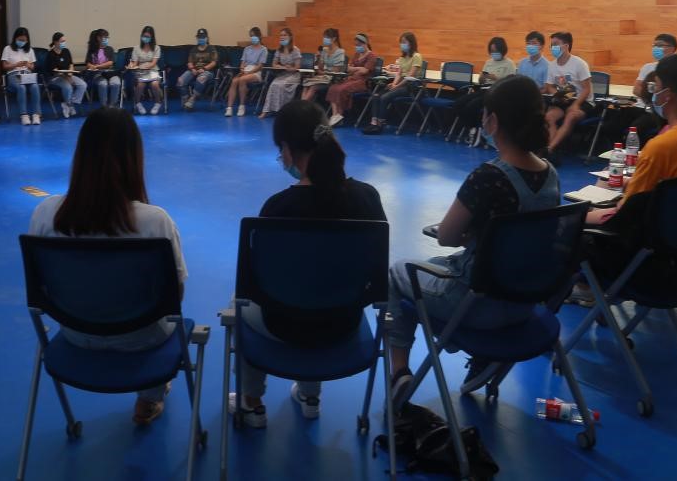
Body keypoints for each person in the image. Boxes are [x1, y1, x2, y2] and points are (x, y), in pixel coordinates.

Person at [387, 76, 558, 404]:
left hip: (475, 304)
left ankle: (399, 373)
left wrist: (469, 235)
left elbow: (446, 236)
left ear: (492, 121)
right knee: (433, 268)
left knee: (398, 272)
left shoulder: (487, 177)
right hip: (524, 302)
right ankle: (481, 356)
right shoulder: (551, 175)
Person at [227, 100, 386, 427]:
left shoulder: (277, 208)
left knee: (237, 303)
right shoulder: (367, 197)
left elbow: (256, 285)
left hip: (282, 325)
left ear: (287, 148)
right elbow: (376, 271)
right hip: (344, 321)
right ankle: (310, 395)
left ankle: (251, 402)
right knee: (322, 285)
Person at [27, 108, 187, 426]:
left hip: (76, 331)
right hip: (142, 336)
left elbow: (40, 287)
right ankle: (149, 399)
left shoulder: (46, 213)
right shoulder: (155, 221)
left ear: (81, 154)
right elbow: (175, 295)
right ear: (134, 158)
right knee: (163, 320)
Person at [577, 54, 677, 297]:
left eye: (655, 86)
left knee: (567, 224)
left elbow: (626, 213)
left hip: (645, 244)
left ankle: (588, 288)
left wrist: (582, 216)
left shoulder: (661, 146)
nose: (653, 92)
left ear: (668, 94)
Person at [454, 37, 517, 144]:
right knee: (458, 103)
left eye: (496, 51)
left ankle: (475, 129)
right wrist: (482, 78)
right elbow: (480, 81)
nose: (494, 53)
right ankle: (471, 126)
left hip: (497, 93)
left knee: (472, 105)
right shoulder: (488, 62)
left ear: (502, 50)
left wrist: (496, 78)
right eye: (492, 51)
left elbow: (510, 84)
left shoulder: (509, 64)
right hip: (483, 89)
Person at [543, 31, 593, 159]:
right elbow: (549, 86)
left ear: (566, 46)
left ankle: (549, 149)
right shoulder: (552, 65)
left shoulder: (579, 64)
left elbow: (586, 89)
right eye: (551, 45)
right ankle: (548, 150)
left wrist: (576, 105)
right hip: (563, 100)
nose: (553, 48)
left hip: (583, 101)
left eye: (556, 44)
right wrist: (558, 95)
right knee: (549, 117)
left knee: (571, 116)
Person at [362, 31, 421, 134]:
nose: (402, 44)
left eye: (404, 42)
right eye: (401, 42)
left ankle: (380, 123)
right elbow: (399, 73)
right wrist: (394, 83)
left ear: (411, 43)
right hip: (400, 83)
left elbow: (410, 76)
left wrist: (397, 86)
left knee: (385, 97)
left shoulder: (417, 56)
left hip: (410, 85)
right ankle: (373, 122)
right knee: (376, 95)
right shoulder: (402, 57)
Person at [325, 33, 376, 127]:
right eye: (356, 45)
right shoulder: (356, 54)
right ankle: (335, 115)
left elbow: (365, 71)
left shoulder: (371, 56)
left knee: (342, 89)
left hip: (362, 82)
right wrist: (358, 68)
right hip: (351, 78)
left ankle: (339, 115)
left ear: (365, 44)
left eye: (359, 45)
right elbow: (348, 68)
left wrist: (355, 69)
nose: (357, 47)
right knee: (333, 88)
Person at [3, 26, 42, 126]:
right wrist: (16, 65)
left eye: (24, 40)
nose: (22, 42)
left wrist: (28, 65)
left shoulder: (30, 50)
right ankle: (24, 115)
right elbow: (5, 66)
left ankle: (36, 114)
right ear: (15, 38)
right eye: (20, 40)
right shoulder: (7, 49)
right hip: (13, 74)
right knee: (21, 87)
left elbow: (32, 67)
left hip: (27, 74)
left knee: (35, 86)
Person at [224, 27, 267, 118]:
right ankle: (229, 108)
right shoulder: (247, 49)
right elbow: (243, 62)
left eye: (254, 36)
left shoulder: (263, 49)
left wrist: (249, 72)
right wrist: (242, 69)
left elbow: (260, 66)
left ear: (259, 36)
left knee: (242, 80)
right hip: (246, 70)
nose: (252, 38)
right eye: (251, 36)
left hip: (256, 72)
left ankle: (242, 106)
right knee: (234, 81)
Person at [259, 28, 302, 119]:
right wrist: (279, 66)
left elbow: (297, 67)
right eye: (281, 35)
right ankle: (266, 111)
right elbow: (274, 64)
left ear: (290, 37)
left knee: (281, 86)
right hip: (283, 74)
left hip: (293, 75)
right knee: (273, 85)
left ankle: (282, 111)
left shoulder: (295, 50)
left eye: (284, 35)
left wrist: (290, 68)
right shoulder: (279, 50)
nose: (282, 37)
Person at [45, 32, 87, 119]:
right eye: (62, 41)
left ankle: (69, 103)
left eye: (64, 41)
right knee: (68, 87)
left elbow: (71, 64)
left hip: (68, 75)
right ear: (55, 42)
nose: (64, 43)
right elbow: (55, 71)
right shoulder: (50, 54)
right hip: (55, 77)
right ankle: (69, 105)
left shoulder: (66, 51)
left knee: (82, 85)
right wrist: (67, 78)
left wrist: (70, 74)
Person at [300, 28, 346, 104]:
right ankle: (302, 105)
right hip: (323, 76)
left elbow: (336, 71)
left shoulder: (340, 52)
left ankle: (302, 105)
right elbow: (320, 68)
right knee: (306, 83)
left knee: (313, 86)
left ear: (334, 39)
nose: (324, 39)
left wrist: (323, 72)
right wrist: (319, 58)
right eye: (324, 37)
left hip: (332, 78)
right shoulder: (324, 50)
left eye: (327, 37)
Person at [177, 28, 218, 110]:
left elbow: (214, 63)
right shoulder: (193, 49)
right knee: (180, 81)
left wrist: (204, 69)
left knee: (201, 78)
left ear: (207, 38)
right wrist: (192, 69)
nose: (201, 39)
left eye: (203, 37)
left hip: (207, 72)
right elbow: (189, 62)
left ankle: (192, 99)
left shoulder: (212, 49)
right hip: (194, 70)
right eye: (199, 37)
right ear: (197, 38)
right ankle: (185, 98)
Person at [632, 34, 677, 101]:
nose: (656, 48)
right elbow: (636, 90)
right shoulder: (648, 67)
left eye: (660, 45)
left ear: (672, 48)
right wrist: (652, 100)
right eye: (654, 45)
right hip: (645, 105)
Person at [128, 26, 163, 116]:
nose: (145, 38)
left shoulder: (156, 48)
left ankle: (158, 103)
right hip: (140, 72)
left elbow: (153, 63)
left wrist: (146, 66)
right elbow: (135, 63)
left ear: (152, 37)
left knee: (154, 84)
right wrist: (131, 66)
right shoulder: (136, 48)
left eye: (147, 37)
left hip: (153, 71)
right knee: (140, 85)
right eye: (144, 36)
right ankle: (138, 103)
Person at [85, 29, 121, 108]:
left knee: (116, 83)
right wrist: (91, 66)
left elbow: (110, 62)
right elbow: (88, 63)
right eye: (105, 37)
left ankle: (112, 105)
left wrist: (97, 66)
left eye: (107, 37)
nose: (106, 39)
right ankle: (104, 106)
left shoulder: (110, 49)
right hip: (98, 74)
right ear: (98, 38)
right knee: (103, 84)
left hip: (110, 73)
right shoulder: (92, 49)